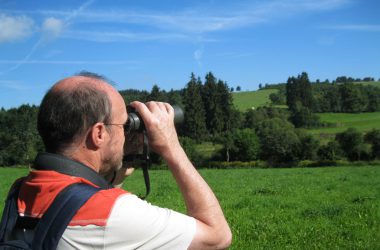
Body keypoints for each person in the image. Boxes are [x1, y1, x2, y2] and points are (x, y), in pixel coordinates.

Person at [10, 72, 232, 249]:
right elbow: (217, 236)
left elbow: (74, 201)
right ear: (99, 134)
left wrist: (117, 167)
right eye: (123, 125)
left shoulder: (20, 191)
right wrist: (171, 145)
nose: (126, 133)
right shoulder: (113, 214)